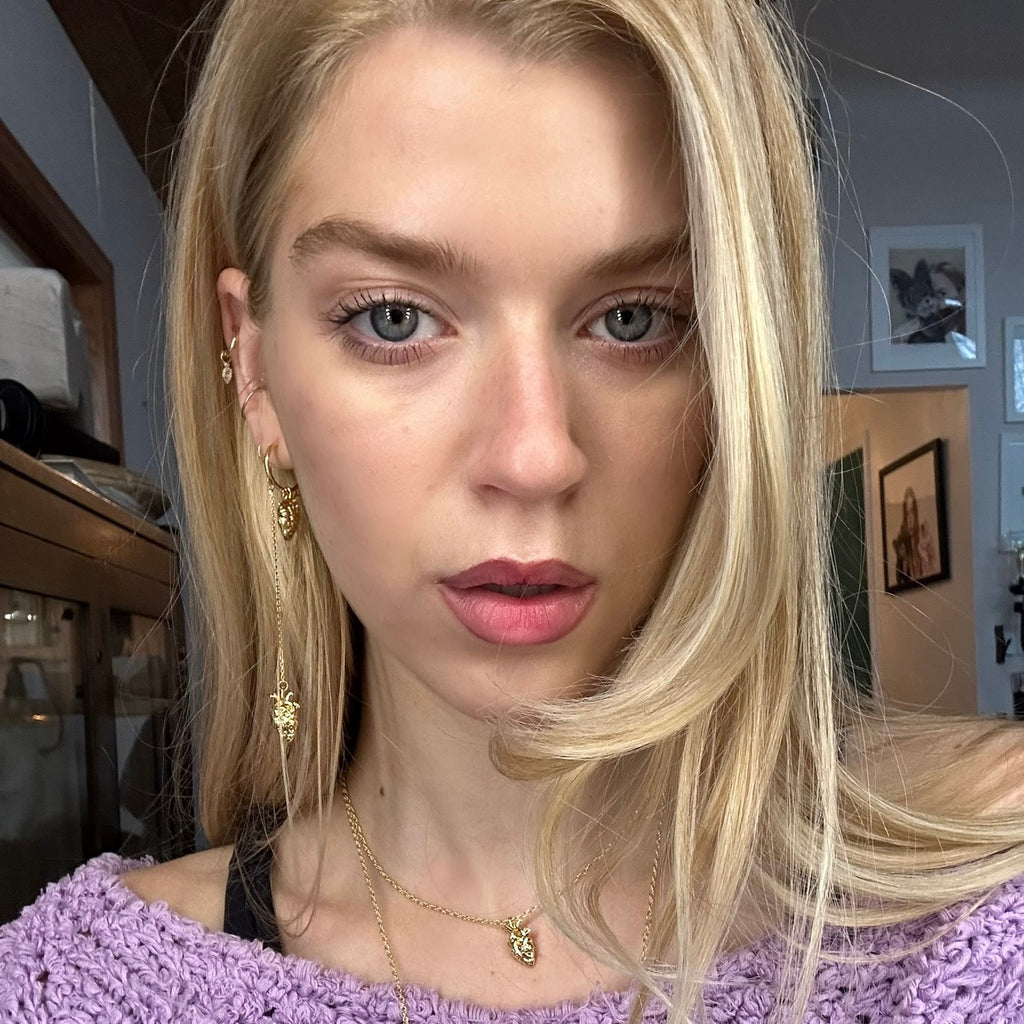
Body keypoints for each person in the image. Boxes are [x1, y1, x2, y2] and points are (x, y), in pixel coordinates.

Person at [3, 1, 1024, 1021]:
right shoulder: (82, 993)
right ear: (255, 368)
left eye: (634, 319)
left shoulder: (966, 929)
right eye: (393, 318)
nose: (534, 457)